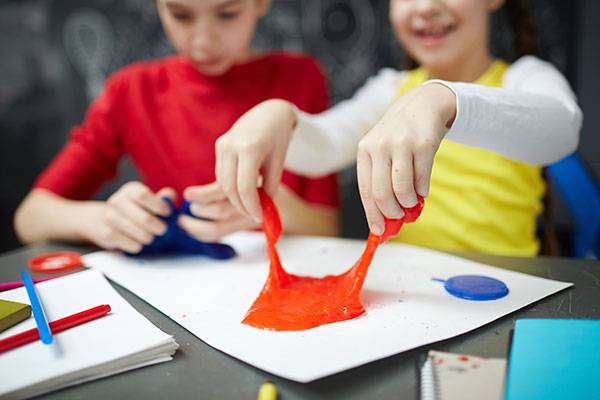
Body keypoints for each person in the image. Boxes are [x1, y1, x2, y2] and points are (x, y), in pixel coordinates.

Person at [212, 0, 582, 256]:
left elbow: (560, 130)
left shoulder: (525, 78)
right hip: (413, 294)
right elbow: (326, 145)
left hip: (506, 288)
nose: (424, 7)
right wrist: (280, 116)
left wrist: (445, 101)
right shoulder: (389, 89)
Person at [14, 0, 339, 254]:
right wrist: (103, 221)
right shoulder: (130, 91)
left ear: (261, 3)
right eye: (181, 15)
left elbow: (328, 228)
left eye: (227, 14)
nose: (202, 41)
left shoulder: (301, 78)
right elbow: (30, 218)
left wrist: (270, 202)